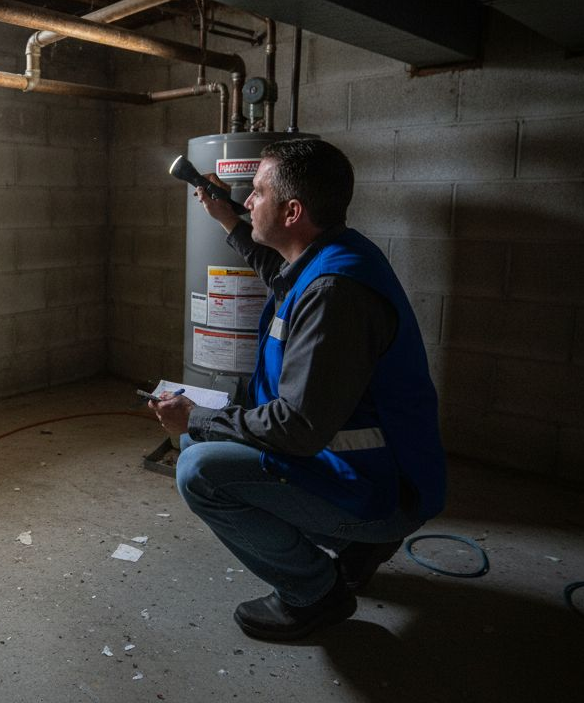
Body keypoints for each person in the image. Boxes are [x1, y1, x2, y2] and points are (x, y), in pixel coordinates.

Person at [149, 138, 446, 642]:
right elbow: (278, 273)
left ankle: (315, 594)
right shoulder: (332, 255)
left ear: (292, 211)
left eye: (257, 193)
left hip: (375, 487)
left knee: (198, 467)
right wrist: (226, 220)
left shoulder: (335, 296)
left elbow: (297, 429)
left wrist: (194, 415)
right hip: (362, 471)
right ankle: (354, 549)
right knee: (204, 441)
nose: (247, 201)